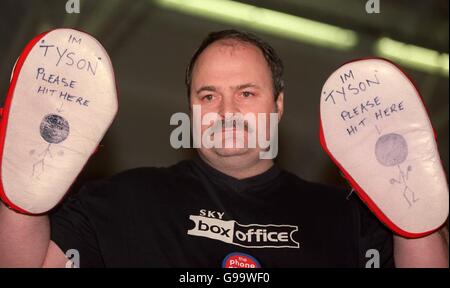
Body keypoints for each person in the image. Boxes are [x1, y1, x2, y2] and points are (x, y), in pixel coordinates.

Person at [0, 29, 448, 268]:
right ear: (191, 109)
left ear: (278, 105)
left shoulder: (345, 218)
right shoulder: (122, 200)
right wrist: (22, 195)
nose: (226, 110)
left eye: (247, 93)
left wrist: (415, 220)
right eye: (208, 95)